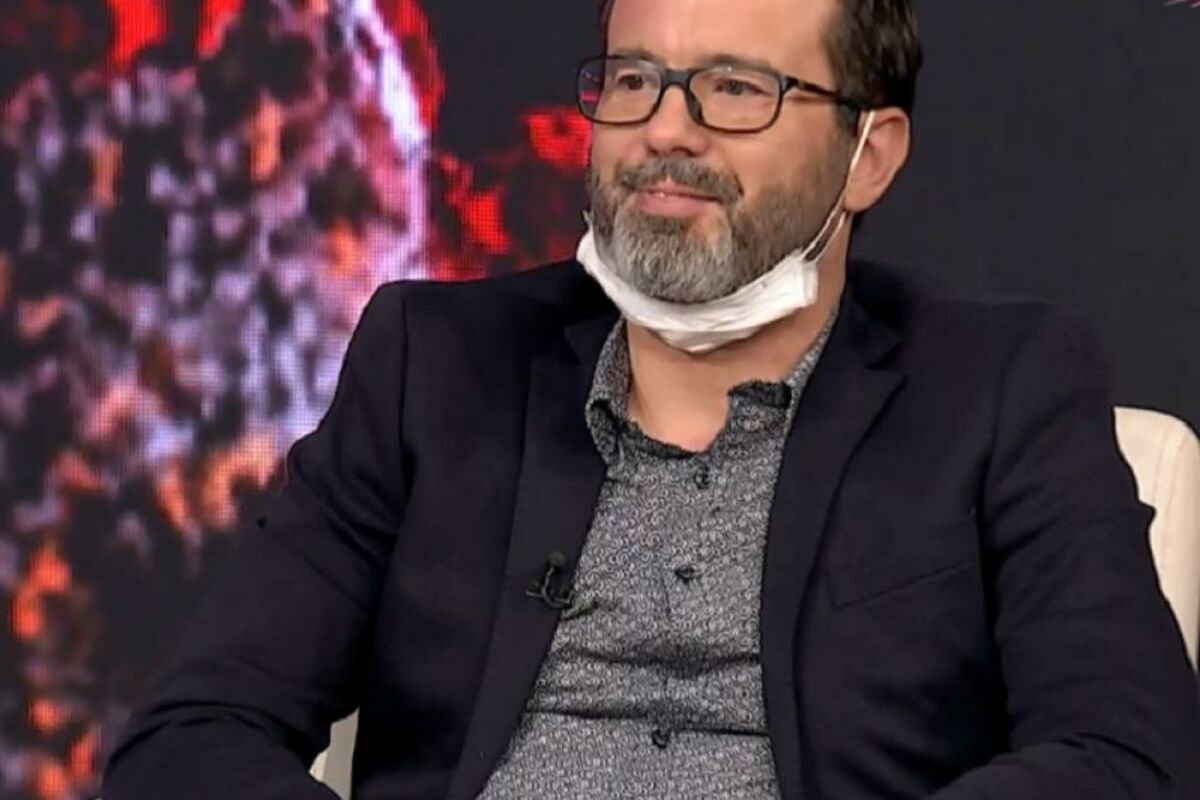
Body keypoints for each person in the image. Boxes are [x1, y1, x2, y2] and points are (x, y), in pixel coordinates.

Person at [101, 0, 1200, 797]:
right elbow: (191, 736)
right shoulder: (430, 364)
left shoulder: (1002, 388)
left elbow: (1123, 755)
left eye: (737, 88)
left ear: (870, 156)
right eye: (633, 79)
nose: (666, 129)